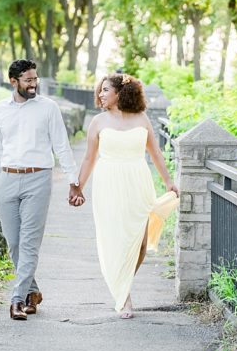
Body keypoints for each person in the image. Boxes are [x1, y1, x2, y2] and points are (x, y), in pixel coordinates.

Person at [72, 74, 180, 318]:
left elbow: (156, 153)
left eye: (105, 90)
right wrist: (78, 186)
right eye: (99, 91)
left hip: (138, 181)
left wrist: (169, 182)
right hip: (108, 182)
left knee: (140, 243)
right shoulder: (98, 122)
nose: (100, 95)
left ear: (120, 92)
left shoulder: (141, 119)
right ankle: (124, 296)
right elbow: (89, 158)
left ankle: (122, 284)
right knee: (116, 240)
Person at [0, 59, 84, 321]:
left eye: (35, 79)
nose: (33, 84)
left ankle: (17, 300)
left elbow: (62, 145)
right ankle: (33, 293)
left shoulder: (48, 108)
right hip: (6, 179)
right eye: (28, 80)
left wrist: (72, 180)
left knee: (29, 243)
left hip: (38, 179)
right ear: (13, 81)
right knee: (14, 244)